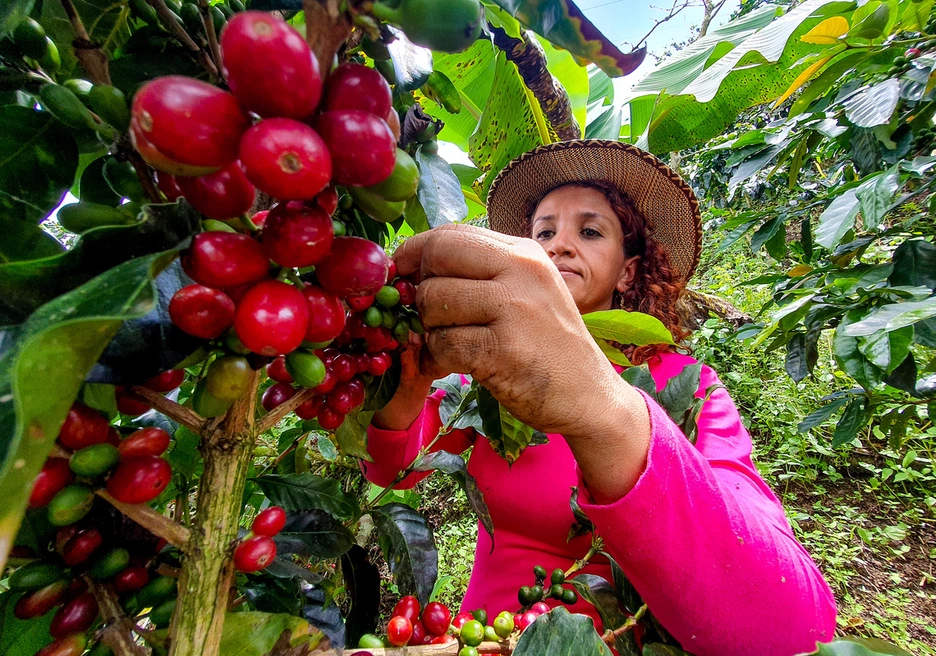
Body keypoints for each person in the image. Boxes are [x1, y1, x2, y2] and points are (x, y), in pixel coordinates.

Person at [362, 140, 837, 655]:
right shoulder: (484, 375)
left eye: (589, 231)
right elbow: (394, 472)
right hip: (483, 638)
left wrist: (604, 410)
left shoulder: (691, 387)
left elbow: (792, 629)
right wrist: (405, 392)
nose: (559, 245)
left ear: (628, 271)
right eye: (543, 232)